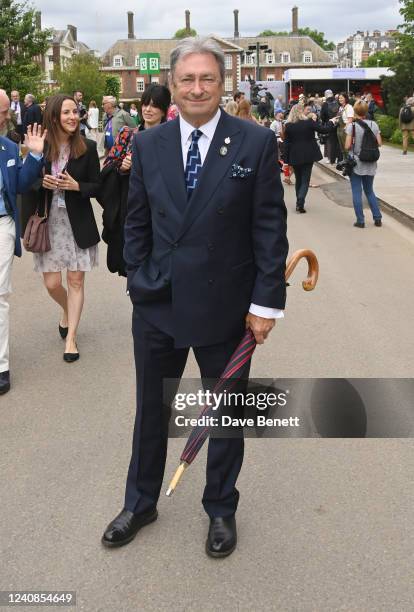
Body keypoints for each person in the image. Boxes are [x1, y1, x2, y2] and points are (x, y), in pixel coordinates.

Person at [102, 37, 288, 558]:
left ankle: (221, 508)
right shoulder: (148, 144)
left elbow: (269, 230)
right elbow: (134, 221)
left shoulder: (253, 142)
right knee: (150, 411)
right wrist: (138, 280)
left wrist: (265, 304)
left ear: (221, 84)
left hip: (226, 306)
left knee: (224, 418)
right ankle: (140, 503)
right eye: (188, 79)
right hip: (158, 304)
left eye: (207, 78)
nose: (197, 88)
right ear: (173, 85)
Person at [22, 94, 101, 362]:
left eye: (75, 112)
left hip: (77, 223)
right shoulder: (41, 147)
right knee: (53, 283)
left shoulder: (88, 147)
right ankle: (67, 310)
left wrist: (78, 186)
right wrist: (41, 181)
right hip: (49, 223)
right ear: (54, 117)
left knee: (76, 281)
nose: (72, 117)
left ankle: (72, 338)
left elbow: (98, 186)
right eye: (66, 112)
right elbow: (25, 186)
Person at [0, 89, 45, 395]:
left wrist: (36, 155)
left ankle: (1, 365)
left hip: (2, 225)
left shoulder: (8, 147)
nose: (7, 117)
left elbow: (19, 184)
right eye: (2, 112)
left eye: (7, 111)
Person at [99, 84, 171, 276]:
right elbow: (107, 167)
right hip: (131, 206)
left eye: (154, 105)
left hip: (163, 209)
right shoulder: (127, 134)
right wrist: (122, 166)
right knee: (133, 261)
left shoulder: (174, 138)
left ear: (164, 108)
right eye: (145, 104)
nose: (147, 109)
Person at [284, 103, 334, 212]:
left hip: (294, 154)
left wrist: (286, 160)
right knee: (305, 180)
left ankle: (299, 200)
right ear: (301, 111)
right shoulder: (309, 123)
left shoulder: (288, 126)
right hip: (308, 154)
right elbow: (324, 129)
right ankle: (300, 201)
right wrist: (331, 122)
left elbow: (286, 143)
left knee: (298, 179)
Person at [344, 100, 382, 228]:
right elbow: (380, 143)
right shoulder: (374, 124)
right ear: (366, 111)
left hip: (356, 163)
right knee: (369, 190)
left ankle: (360, 220)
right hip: (370, 162)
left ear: (355, 111)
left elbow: (347, 145)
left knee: (356, 191)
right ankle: (377, 218)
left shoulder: (352, 126)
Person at [320, 89, 340, 164]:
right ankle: (339, 158)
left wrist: (325, 122)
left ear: (325, 95)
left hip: (329, 124)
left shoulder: (325, 104)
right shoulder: (337, 102)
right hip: (338, 124)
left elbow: (322, 116)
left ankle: (331, 159)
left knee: (330, 142)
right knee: (338, 142)